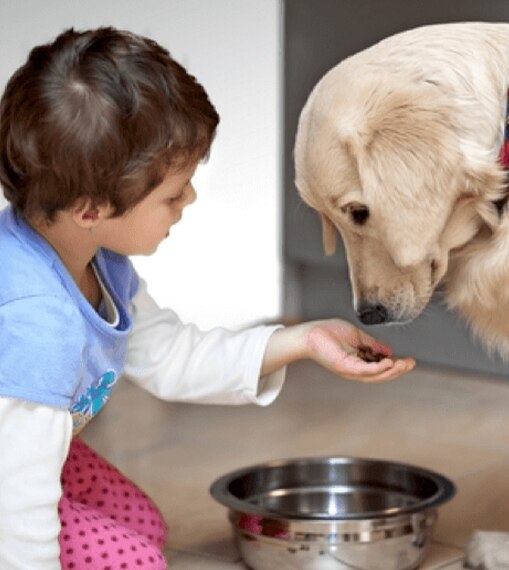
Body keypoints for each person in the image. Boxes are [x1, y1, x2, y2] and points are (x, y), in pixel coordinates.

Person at [0, 27, 415, 569]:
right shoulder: (35, 321)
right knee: (135, 561)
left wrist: (303, 341)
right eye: (172, 194)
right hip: (10, 466)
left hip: (26, 446)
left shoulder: (96, 261)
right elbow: (15, 499)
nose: (190, 199)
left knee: (145, 527)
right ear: (90, 209)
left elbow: (170, 357)